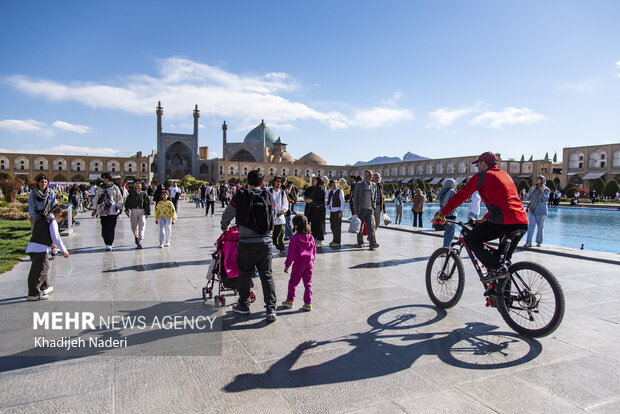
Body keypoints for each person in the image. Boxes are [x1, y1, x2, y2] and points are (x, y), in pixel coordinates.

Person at [432, 152, 528, 281]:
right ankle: (504, 299)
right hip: (522, 222)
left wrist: (442, 213)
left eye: (478, 165)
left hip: (504, 222)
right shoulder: (505, 176)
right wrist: (485, 218)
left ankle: (495, 270)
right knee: (504, 263)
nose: (477, 167)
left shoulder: (482, 176)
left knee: (471, 240)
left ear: (483, 164)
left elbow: (461, 195)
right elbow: (508, 202)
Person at [221, 170, 278, 321]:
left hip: (246, 243)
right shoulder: (268, 195)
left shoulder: (240, 195)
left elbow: (228, 213)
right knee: (266, 275)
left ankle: (244, 305)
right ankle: (271, 308)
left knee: (244, 274)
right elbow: (274, 215)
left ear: (247, 182)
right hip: (266, 243)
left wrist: (224, 226)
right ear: (261, 183)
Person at [25, 205, 70, 301]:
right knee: (41, 270)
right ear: (59, 215)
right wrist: (64, 250)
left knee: (39, 268)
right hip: (40, 249)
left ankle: (44, 287)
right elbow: (56, 237)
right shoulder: (51, 221)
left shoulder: (42, 219)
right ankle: (34, 293)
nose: (60, 221)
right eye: (61, 219)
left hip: (32, 247)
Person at [282, 214, 316, 311]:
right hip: (309, 263)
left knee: (293, 282)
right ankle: (308, 303)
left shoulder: (294, 238)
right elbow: (314, 250)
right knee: (308, 283)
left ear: (296, 226)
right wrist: (312, 260)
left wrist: (287, 265)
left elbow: (291, 254)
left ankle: (290, 301)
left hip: (299, 263)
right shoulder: (311, 237)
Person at [92, 172, 124, 251]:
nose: (104, 179)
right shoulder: (100, 188)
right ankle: (106, 241)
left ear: (109, 178)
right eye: (103, 178)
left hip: (112, 210)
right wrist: (94, 208)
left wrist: (119, 206)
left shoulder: (114, 187)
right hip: (102, 211)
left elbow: (119, 198)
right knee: (104, 228)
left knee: (111, 227)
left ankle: (109, 243)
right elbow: (96, 198)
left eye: (106, 178)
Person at [353, 169, 379, 249]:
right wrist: (356, 209)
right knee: (360, 227)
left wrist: (373, 206)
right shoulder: (359, 185)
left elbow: (375, 197)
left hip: (370, 209)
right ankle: (360, 242)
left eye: (371, 175)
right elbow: (356, 197)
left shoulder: (374, 185)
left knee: (370, 227)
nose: (371, 177)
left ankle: (372, 243)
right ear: (365, 176)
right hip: (361, 209)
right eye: (369, 175)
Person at [524, 175, 550, 248]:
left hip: (541, 211)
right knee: (531, 226)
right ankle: (528, 242)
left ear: (542, 180)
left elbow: (545, 199)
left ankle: (539, 241)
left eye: (538, 179)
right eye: (536, 178)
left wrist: (542, 192)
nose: (536, 180)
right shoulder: (533, 188)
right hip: (532, 210)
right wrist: (532, 191)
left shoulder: (546, 189)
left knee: (540, 227)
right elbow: (527, 198)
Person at [124, 180, 151, 249]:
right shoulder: (132, 193)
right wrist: (126, 209)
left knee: (142, 224)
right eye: (137, 183)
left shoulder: (144, 194)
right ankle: (136, 235)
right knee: (134, 226)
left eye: (139, 184)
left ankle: (140, 239)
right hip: (134, 210)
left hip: (142, 210)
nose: (138, 185)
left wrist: (147, 212)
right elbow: (127, 201)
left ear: (141, 185)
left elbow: (147, 203)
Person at [269, 176, 289, 256]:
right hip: (271, 218)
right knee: (270, 235)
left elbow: (286, 204)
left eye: (280, 182)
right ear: (274, 182)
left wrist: (284, 209)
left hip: (280, 218)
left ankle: (281, 249)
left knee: (280, 235)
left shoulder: (282, 193)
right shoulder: (269, 191)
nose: (279, 183)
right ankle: (269, 249)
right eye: (277, 181)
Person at [438, 179, 457, 248]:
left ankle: (446, 247)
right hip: (450, 214)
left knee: (447, 232)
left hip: (444, 215)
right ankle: (446, 248)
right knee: (450, 233)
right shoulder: (452, 192)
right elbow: (445, 203)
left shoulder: (442, 191)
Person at [308, 176, 326, 245]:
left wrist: (312, 201)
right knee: (314, 225)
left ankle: (320, 239)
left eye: (314, 180)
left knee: (319, 225)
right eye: (312, 180)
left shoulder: (320, 189)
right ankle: (315, 238)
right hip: (314, 210)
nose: (313, 181)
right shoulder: (314, 189)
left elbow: (321, 201)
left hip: (319, 210)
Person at [327, 180, 345, 247]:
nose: (333, 186)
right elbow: (326, 197)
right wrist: (327, 189)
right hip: (332, 211)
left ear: (337, 184)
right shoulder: (331, 192)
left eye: (334, 184)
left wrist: (341, 212)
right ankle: (334, 239)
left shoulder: (340, 191)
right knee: (332, 226)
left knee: (337, 227)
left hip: (337, 211)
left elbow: (342, 202)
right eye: (332, 185)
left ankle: (337, 242)